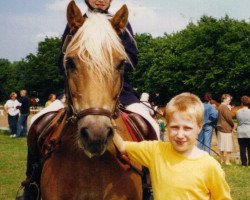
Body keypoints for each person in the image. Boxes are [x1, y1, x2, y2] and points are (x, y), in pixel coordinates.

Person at [57, 0, 159, 137]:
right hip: (79, 91)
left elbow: (132, 58)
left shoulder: (121, 24)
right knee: (37, 122)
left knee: (152, 126)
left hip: (120, 92)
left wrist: (109, 63)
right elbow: (62, 61)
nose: (100, 0)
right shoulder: (75, 23)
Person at [113, 92, 231, 200]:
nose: (180, 135)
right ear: (167, 126)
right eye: (174, 127)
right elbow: (122, 146)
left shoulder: (210, 166)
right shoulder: (154, 151)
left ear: (199, 127)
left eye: (187, 128)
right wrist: (107, 120)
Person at [216, 94, 235, 165]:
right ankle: (227, 161)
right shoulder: (224, 107)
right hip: (226, 128)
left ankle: (222, 161)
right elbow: (229, 118)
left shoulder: (220, 106)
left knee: (221, 145)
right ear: (224, 99)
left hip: (221, 128)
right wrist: (233, 125)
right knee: (228, 146)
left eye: (230, 99)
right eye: (228, 99)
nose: (230, 100)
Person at [234, 96, 250, 166]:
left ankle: (244, 163)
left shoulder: (238, 112)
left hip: (240, 132)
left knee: (242, 148)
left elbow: (238, 121)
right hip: (249, 131)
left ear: (242, 103)